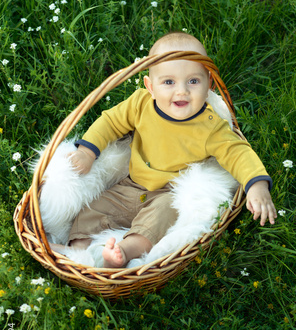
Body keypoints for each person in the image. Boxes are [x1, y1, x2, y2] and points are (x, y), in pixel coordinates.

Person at [54, 32, 277, 268]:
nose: (181, 91)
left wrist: (256, 184)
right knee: (93, 208)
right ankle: (78, 251)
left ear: (209, 83)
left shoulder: (211, 127)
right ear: (150, 87)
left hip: (167, 193)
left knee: (159, 219)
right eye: (168, 82)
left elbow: (237, 152)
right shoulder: (140, 104)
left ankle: (123, 252)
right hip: (130, 185)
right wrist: (87, 152)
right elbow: (110, 122)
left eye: (193, 81)